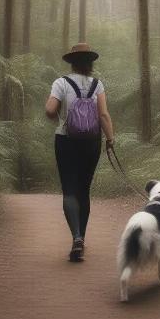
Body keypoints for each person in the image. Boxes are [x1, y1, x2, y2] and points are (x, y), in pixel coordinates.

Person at [45, 43, 114, 262]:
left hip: (66, 141)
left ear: (72, 63)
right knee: (84, 190)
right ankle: (81, 238)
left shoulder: (61, 83)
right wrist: (110, 139)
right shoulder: (97, 84)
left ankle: (76, 237)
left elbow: (49, 110)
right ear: (90, 63)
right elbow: (103, 115)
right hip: (91, 142)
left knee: (69, 189)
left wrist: (56, 116)